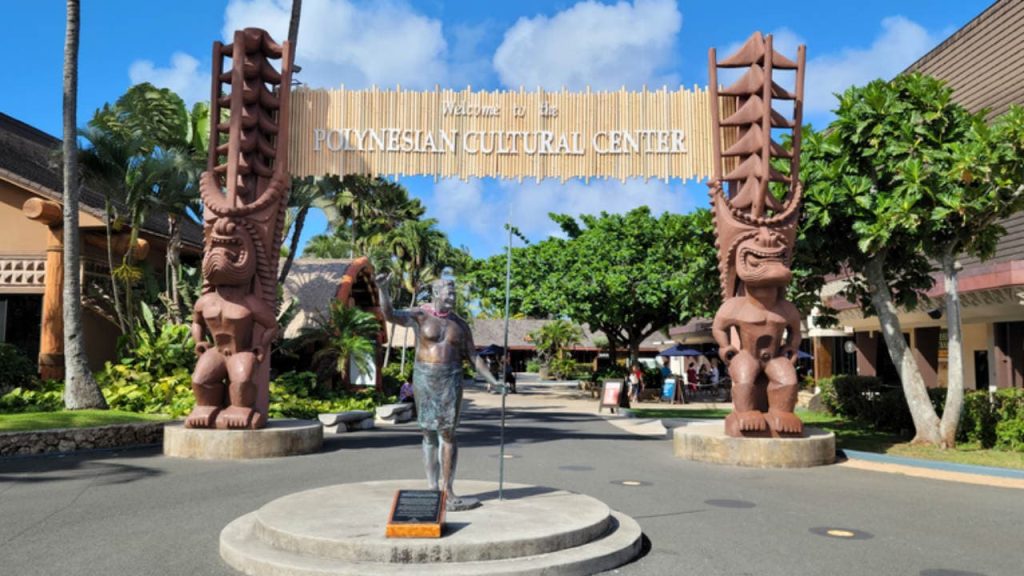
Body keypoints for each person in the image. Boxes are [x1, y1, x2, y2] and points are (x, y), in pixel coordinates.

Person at [377, 272, 500, 511]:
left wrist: (494, 381)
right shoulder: (419, 316)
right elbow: (389, 314)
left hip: (451, 379)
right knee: (428, 433)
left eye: (454, 293)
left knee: (448, 434)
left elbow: (473, 356)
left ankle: (448, 489)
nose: (453, 297)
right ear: (436, 294)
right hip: (424, 377)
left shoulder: (460, 325)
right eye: (449, 293)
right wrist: (383, 289)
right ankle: (432, 487)